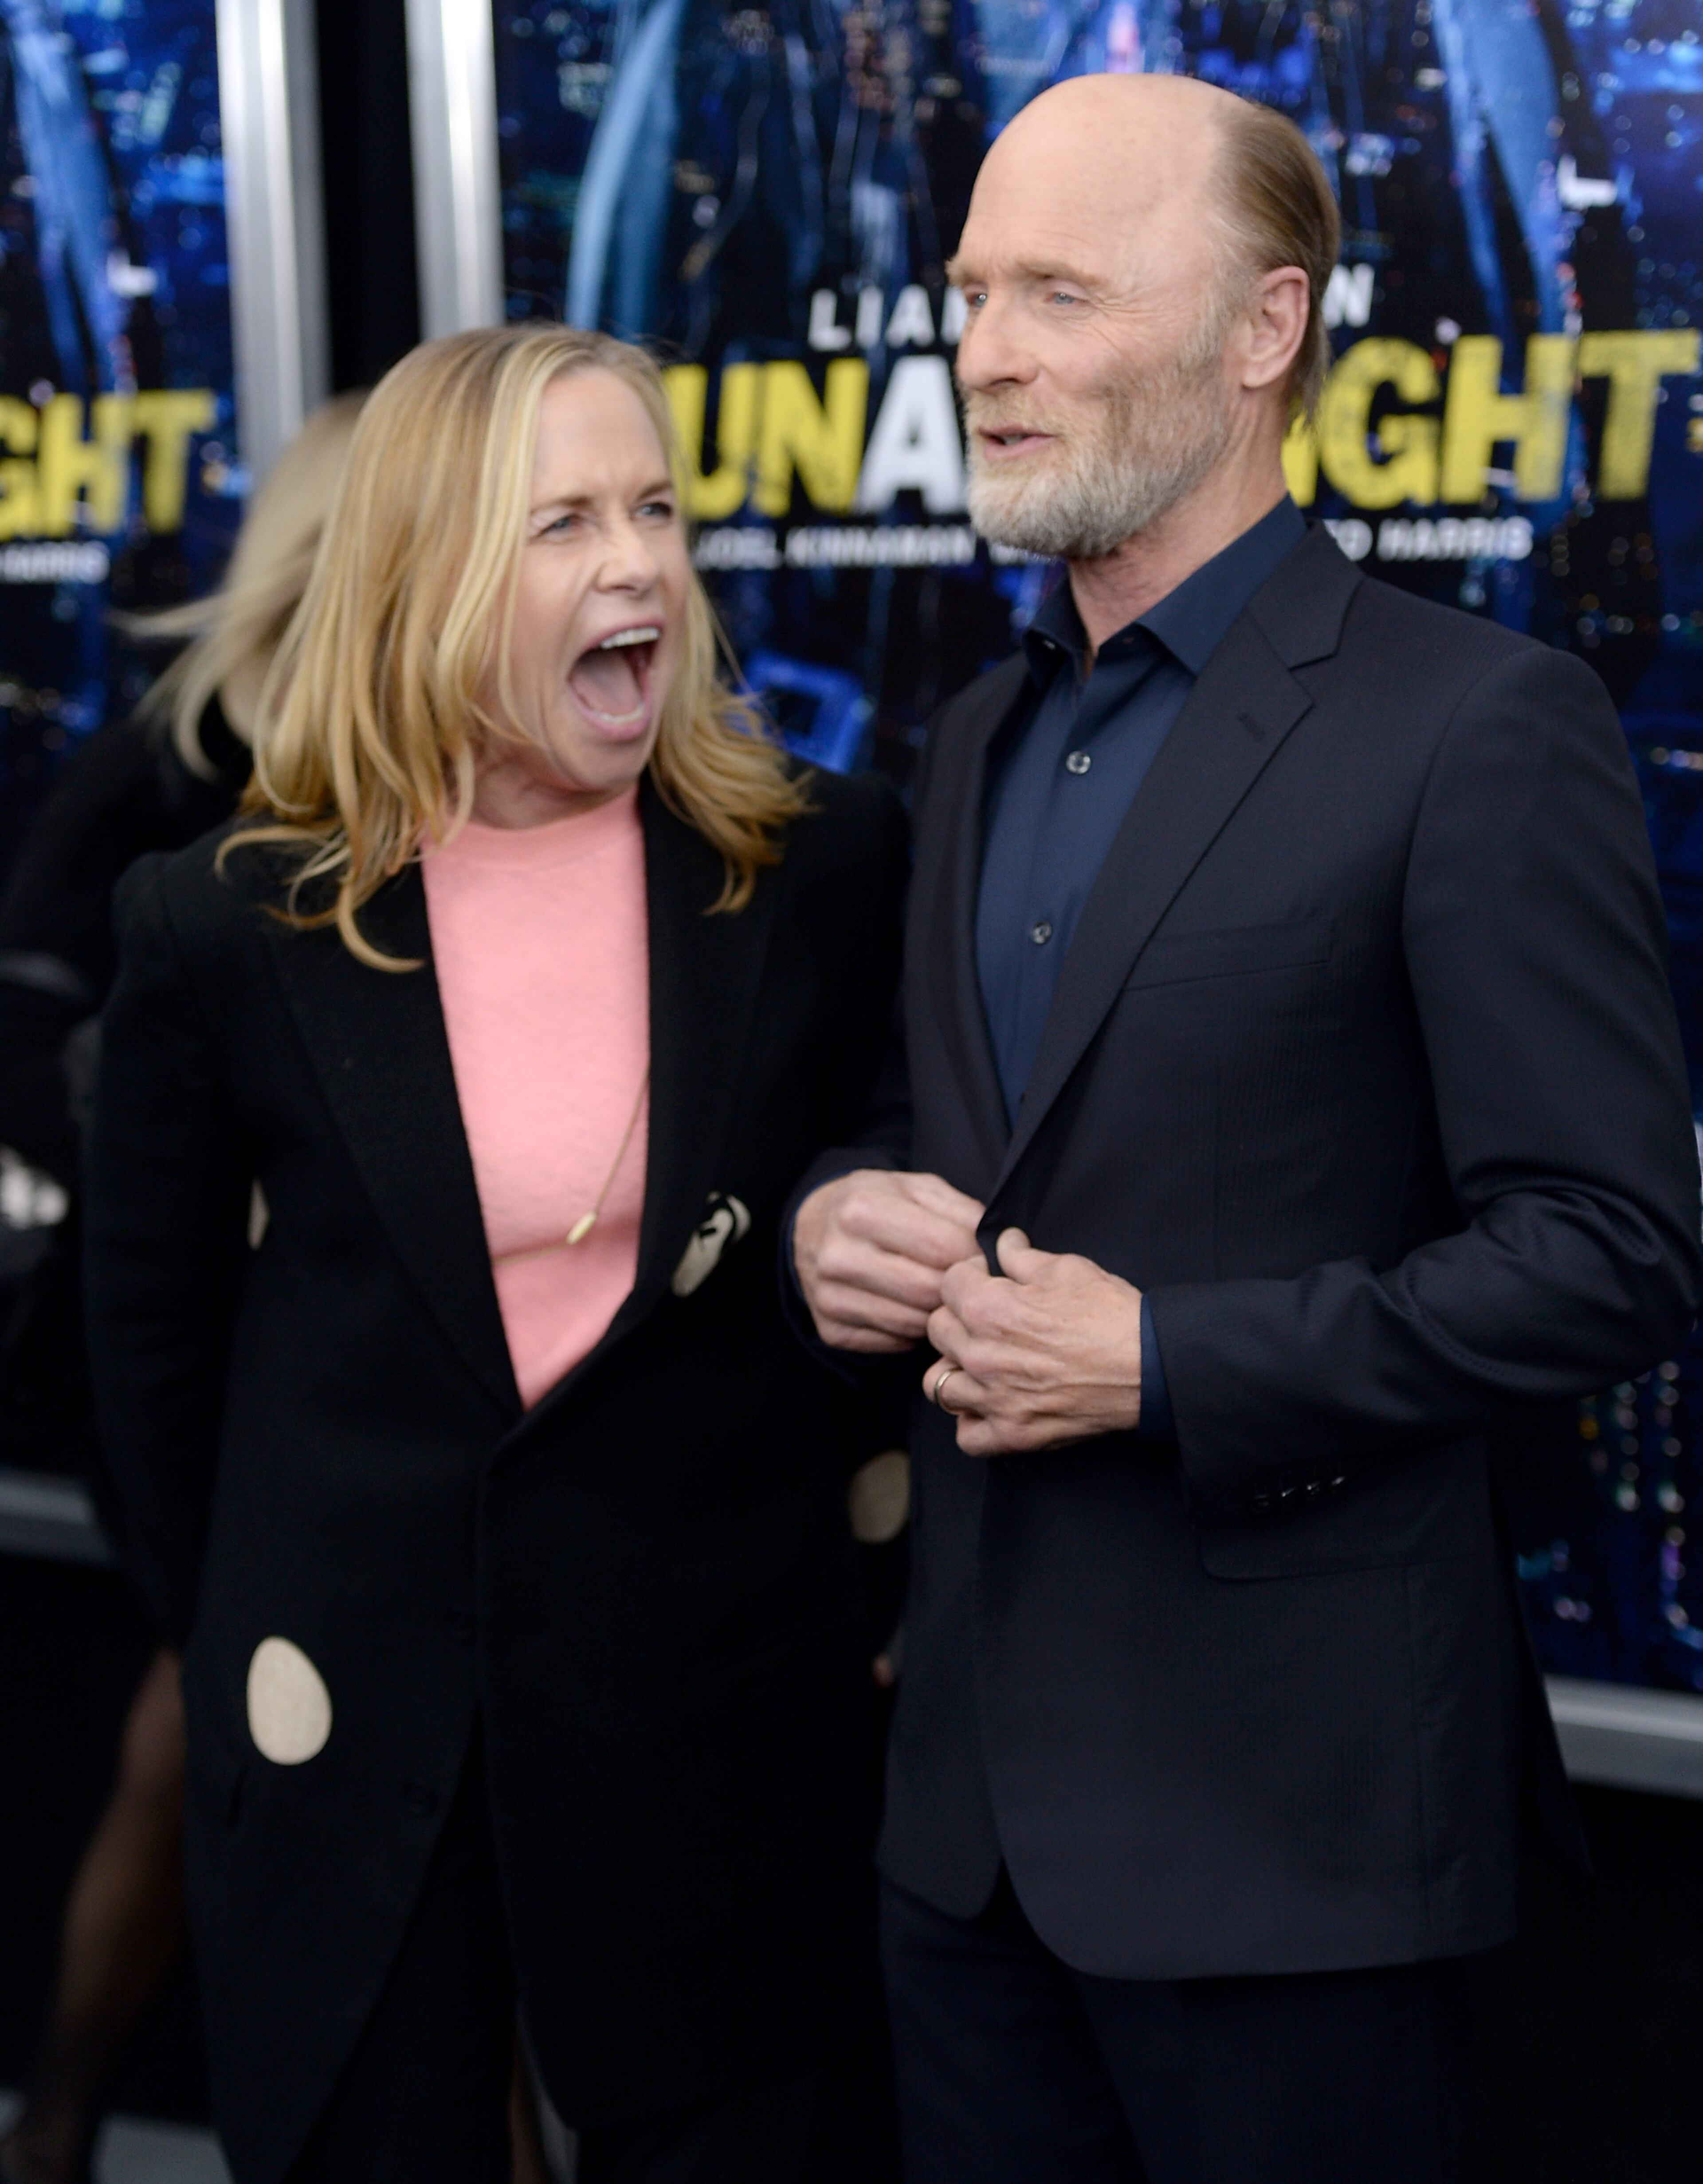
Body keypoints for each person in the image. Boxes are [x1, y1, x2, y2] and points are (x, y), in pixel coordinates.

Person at [790, 72, 1703, 2184]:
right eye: (972, 294)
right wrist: (838, 1217)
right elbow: (926, 1122)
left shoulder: (1476, 724)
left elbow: (1613, 1245)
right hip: (966, 1843)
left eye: (1059, 295)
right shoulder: (980, 726)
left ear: (1264, 328)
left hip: (1300, 1865)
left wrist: (1168, 1361)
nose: (988, 353)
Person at [82, 324, 906, 2184]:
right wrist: (242, 1632)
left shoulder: (821, 867)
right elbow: (151, 1352)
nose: (636, 563)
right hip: (355, 1740)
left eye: (657, 510)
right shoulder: (228, 921)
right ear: (429, 571)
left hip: (718, 1729)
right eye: (561, 524)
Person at [0, 394, 365, 2184]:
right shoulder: (173, 758)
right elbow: (32, 1015)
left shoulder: (439, 748)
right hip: (201, 1344)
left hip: (364, 1341)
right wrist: (183, 1163)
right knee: (200, 1715)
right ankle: (63, 2108)